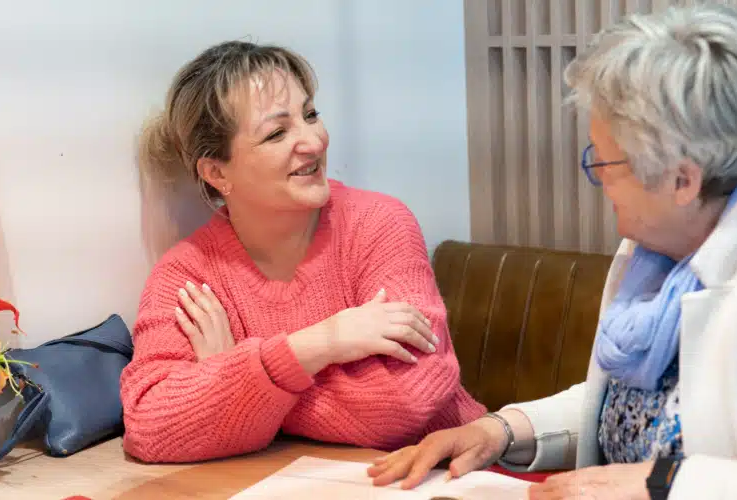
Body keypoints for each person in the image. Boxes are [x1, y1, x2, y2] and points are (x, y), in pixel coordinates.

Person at [368, 5, 737, 499]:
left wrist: (665, 482)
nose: (599, 179)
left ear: (683, 180)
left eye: (605, 162)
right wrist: (501, 430)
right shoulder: (663, 247)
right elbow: (639, 408)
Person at [120, 41, 486, 463]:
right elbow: (149, 427)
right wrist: (317, 344)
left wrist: (235, 381)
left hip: (447, 474)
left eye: (310, 114)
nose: (314, 141)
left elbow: (408, 398)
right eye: (277, 133)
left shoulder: (378, 224)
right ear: (217, 172)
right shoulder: (188, 275)